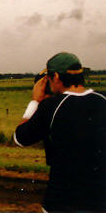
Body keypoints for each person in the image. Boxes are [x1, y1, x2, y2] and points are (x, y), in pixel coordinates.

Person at [14, 52, 106, 212]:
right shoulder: (102, 100)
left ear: (55, 76)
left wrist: (35, 101)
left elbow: (19, 138)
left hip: (62, 200)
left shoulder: (51, 106)